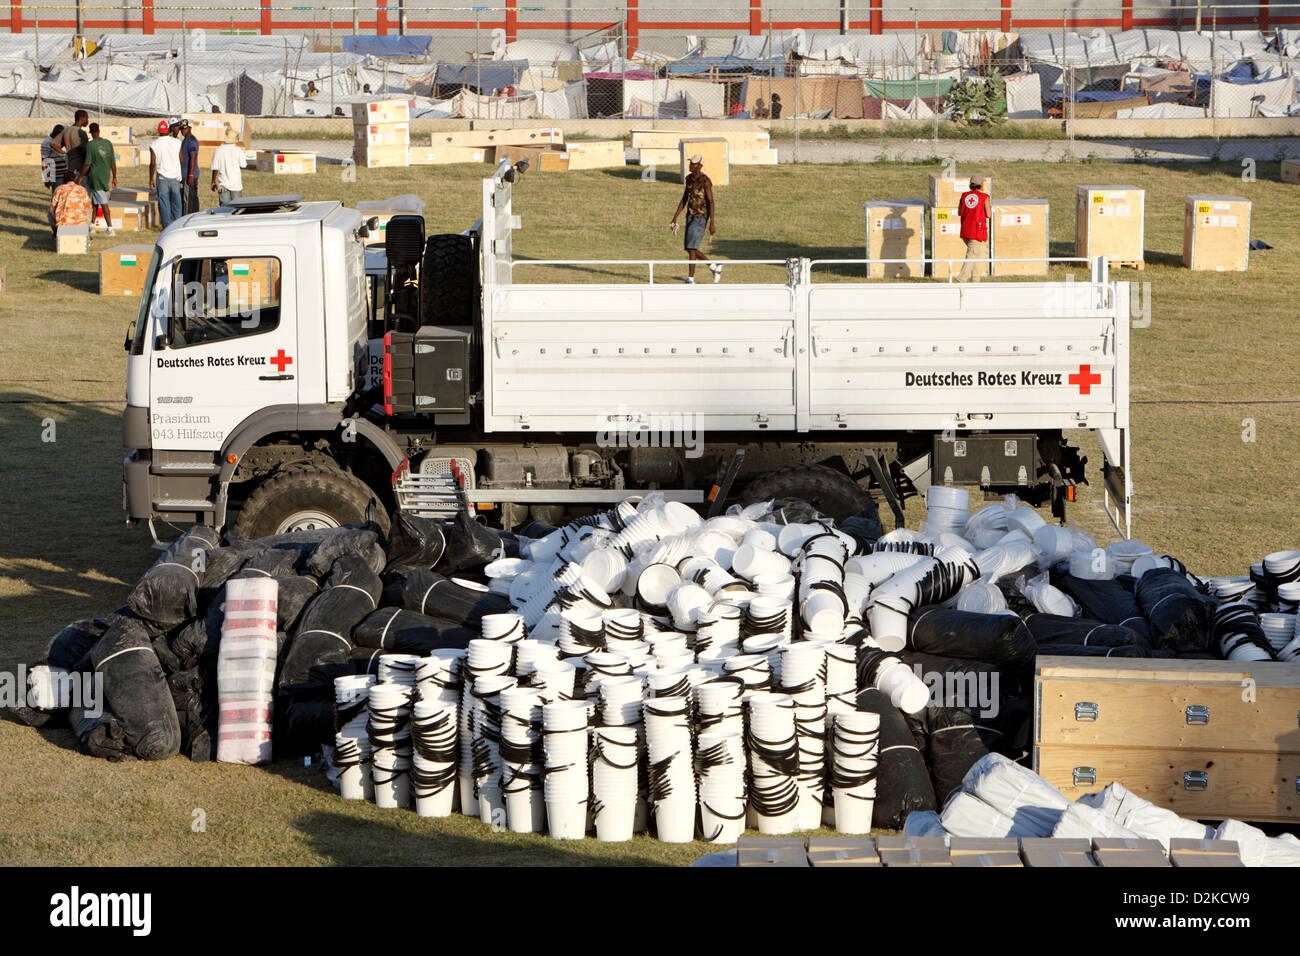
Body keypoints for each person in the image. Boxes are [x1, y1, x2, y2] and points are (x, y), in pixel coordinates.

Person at [669, 154, 722, 285]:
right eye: (690, 163)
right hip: (690, 216)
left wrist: (712, 223)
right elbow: (684, 199)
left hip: (700, 216)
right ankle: (714, 267)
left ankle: (691, 278)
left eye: (693, 163)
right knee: (689, 248)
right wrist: (675, 217)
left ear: (699, 165)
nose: (690, 165)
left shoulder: (705, 181)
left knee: (692, 247)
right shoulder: (688, 179)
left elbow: (711, 202)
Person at [80, 122, 118, 234]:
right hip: (105, 175)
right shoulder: (108, 143)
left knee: (103, 203)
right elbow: (113, 162)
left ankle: (110, 228)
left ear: (90, 132)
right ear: (99, 130)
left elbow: (87, 164)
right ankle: (92, 225)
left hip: (95, 177)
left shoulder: (90, 145)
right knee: (95, 202)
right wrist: (114, 176)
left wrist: (80, 176)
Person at [956, 174, 991, 283]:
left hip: (965, 229)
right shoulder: (984, 197)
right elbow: (989, 214)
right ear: (980, 184)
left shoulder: (964, 195)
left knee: (975, 254)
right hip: (976, 230)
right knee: (972, 255)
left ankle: (975, 279)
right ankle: (962, 278)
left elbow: (959, 212)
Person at [149, 118, 183, 228]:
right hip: (175, 176)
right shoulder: (177, 142)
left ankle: (167, 225)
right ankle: (177, 224)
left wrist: (150, 178)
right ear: (168, 130)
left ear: (158, 131)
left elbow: (152, 163)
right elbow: (181, 159)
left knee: (164, 201)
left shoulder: (154, 144)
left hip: (162, 176)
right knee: (176, 201)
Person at [49, 170, 92, 242]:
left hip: (64, 222)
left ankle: (55, 233)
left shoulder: (59, 189)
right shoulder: (82, 189)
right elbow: (88, 205)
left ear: (64, 180)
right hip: (81, 222)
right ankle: (87, 231)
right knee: (89, 210)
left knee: (49, 211)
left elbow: (53, 206)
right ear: (75, 179)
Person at [210, 127, 246, 205]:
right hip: (236, 184)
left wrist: (213, 181)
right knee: (237, 209)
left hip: (223, 185)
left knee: (224, 210)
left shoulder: (218, 150)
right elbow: (243, 165)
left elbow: (215, 168)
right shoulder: (238, 150)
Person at [51, 109, 89, 184]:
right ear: (81, 119)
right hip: (80, 169)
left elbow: (53, 144)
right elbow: (86, 151)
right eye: (87, 118)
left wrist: (64, 153)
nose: (87, 120)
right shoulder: (81, 133)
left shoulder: (66, 130)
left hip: (70, 169)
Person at [180, 119, 201, 216]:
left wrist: (190, 174)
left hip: (188, 174)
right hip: (187, 174)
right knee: (192, 197)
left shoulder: (191, 141)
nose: (182, 131)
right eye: (181, 129)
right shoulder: (185, 140)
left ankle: (187, 217)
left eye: (185, 129)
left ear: (190, 128)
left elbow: (193, 157)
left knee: (187, 199)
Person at [40, 123, 66, 191]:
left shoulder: (61, 140)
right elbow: (44, 162)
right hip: (56, 175)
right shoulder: (47, 143)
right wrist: (46, 179)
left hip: (66, 174)